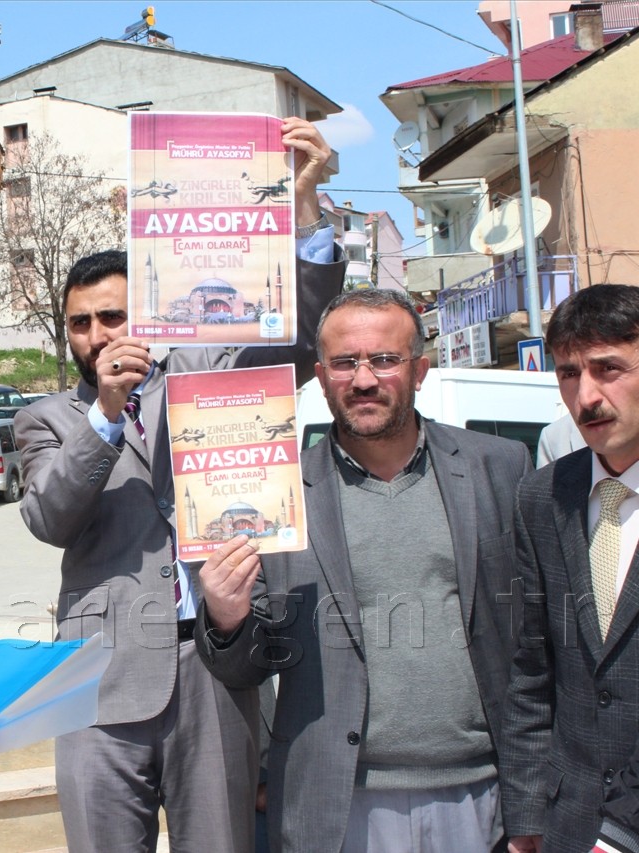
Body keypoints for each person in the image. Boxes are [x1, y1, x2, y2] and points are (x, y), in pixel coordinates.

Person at [15, 118, 345, 853]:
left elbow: (301, 333)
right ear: (66, 335)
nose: (100, 334)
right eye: (81, 324)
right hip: (98, 678)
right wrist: (104, 414)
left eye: (114, 315)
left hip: (216, 665)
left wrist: (305, 208)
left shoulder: (210, 375)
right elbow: (50, 515)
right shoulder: (47, 417)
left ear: (148, 312)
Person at [196, 288, 532, 853]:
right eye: (345, 362)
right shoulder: (273, 495)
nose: (364, 379)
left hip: (481, 795)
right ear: (321, 376)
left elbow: (533, 652)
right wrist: (226, 619)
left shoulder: (499, 468)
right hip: (338, 803)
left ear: (419, 369)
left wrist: (531, 802)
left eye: (384, 359)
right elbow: (242, 671)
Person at [501, 284, 639, 853]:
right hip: (568, 823)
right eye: (567, 374)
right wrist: (527, 817)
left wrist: (623, 830)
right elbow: (531, 671)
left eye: (608, 368)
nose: (586, 397)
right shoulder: (542, 495)